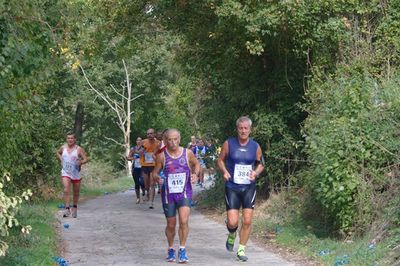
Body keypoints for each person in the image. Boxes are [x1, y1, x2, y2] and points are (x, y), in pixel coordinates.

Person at [217, 116, 264, 262]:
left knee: (248, 221)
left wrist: (255, 172)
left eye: (246, 128)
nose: (243, 131)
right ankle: (232, 233)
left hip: (248, 187)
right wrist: (224, 171)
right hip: (232, 187)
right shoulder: (229, 143)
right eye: (241, 128)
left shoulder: (255, 146)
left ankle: (241, 249)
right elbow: (220, 160)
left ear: (250, 130)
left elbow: (261, 163)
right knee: (233, 222)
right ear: (237, 129)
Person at [153, 128, 200, 263]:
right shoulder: (162, 156)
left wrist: (195, 174)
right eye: (169, 139)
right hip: (169, 195)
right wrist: (157, 178)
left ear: (179, 139)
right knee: (171, 224)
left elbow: (196, 164)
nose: (172, 142)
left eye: (175, 139)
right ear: (165, 141)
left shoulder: (187, 153)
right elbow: (155, 172)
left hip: (185, 192)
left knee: (184, 221)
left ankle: (183, 249)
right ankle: (170, 248)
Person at [56, 132, 88, 218]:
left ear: (74, 140)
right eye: (68, 138)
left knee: (76, 191)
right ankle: (67, 209)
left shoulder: (78, 149)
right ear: (66, 139)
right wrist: (61, 160)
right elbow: (58, 153)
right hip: (66, 171)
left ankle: (74, 207)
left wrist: (80, 162)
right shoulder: (63, 148)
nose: (70, 140)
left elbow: (86, 159)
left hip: (76, 172)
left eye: (72, 138)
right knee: (66, 189)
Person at [139, 128, 160, 209]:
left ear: (154, 134)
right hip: (145, 165)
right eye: (148, 134)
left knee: (152, 184)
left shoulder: (158, 142)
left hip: (154, 165)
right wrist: (141, 151)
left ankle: (151, 202)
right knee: (146, 185)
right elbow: (139, 151)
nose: (149, 135)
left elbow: (161, 153)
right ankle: (147, 192)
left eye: (151, 134)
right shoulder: (143, 142)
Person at [127, 137, 145, 204]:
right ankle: (138, 198)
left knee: (142, 182)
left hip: (143, 167)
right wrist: (132, 158)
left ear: (142, 141)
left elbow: (147, 156)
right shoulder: (133, 149)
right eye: (137, 140)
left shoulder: (144, 148)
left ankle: (143, 193)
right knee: (137, 183)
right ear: (136, 141)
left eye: (140, 140)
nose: (139, 141)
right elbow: (128, 157)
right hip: (135, 167)